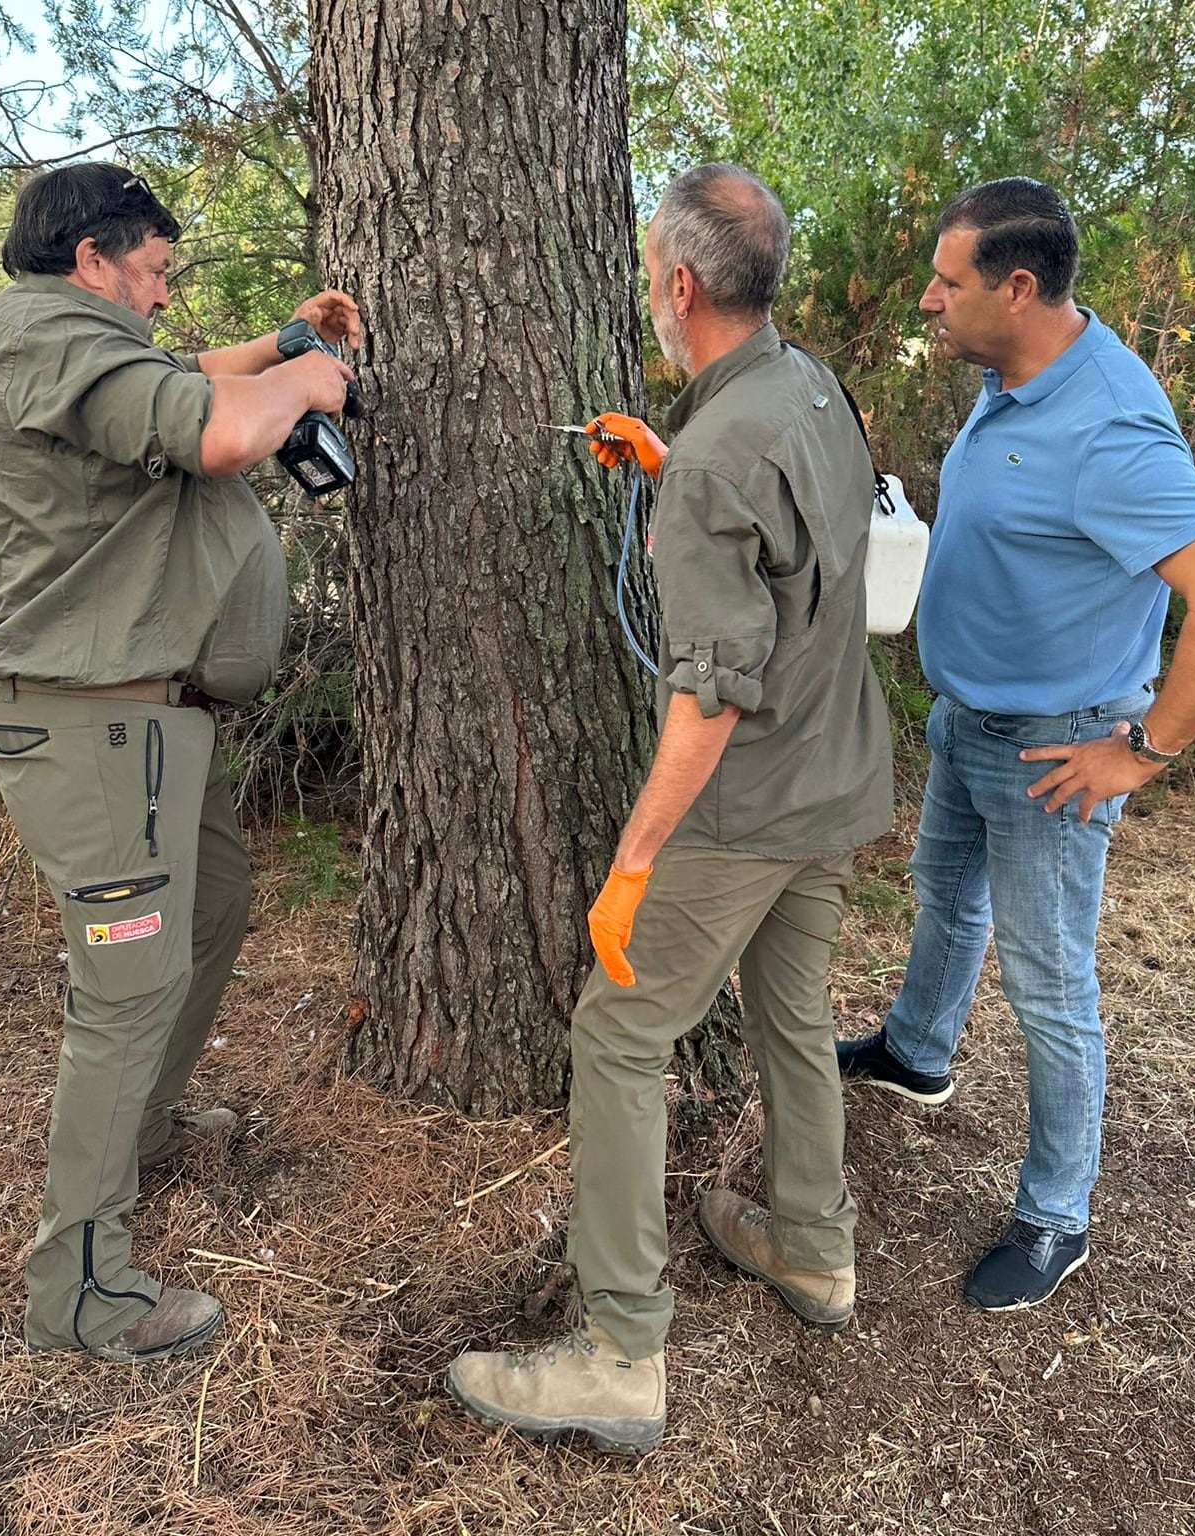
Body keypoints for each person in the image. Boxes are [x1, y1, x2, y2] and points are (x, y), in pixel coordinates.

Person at [445, 164, 894, 1453]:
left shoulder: (717, 455)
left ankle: (619, 1352)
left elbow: (704, 703)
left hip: (744, 806)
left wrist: (635, 862)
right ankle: (814, 1249)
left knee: (620, 1032)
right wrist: (664, 466)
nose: (652, 290)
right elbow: (787, 556)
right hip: (837, 777)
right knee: (793, 1013)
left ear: (679, 286)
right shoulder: (806, 388)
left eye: (652, 272)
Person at [837, 177, 1195, 1310]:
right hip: (970, 718)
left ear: (1017, 286)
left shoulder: (1109, 431)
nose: (930, 301)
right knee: (946, 894)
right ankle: (917, 1052)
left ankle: (1054, 1217)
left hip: (1054, 749)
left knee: (1049, 987)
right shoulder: (1018, 370)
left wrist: (1142, 751)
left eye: (949, 281)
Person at [0, 163, 360, 1362]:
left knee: (216, 905)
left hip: (147, 729)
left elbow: (179, 383)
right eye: (157, 274)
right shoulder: (38, 333)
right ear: (93, 259)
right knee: (122, 992)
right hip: (94, 730)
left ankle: (147, 1121)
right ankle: (79, 1287)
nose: (165, 299)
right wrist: (308, 377)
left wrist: (283, 340)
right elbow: (224, 430)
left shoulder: (73, 340)